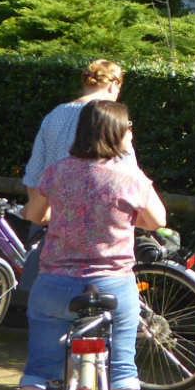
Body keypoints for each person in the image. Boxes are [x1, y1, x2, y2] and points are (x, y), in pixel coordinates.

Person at [3, 99, 164, 390]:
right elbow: (157, 220)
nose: (132, 134)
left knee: (39, 375)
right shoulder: (130, 178)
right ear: (117, 133)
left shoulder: (57, 172)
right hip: (112, 287)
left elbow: (35, 213)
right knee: (123, 373)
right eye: (129, 129)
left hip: (55, 284)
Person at [18, 59, 129, 294]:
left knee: (48, 291)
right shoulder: (110, 119)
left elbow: (35, 170)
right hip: (97, 225)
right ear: (113, 85)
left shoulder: (54, 114)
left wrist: (40, 216)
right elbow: (128, 174)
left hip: (51, 217)